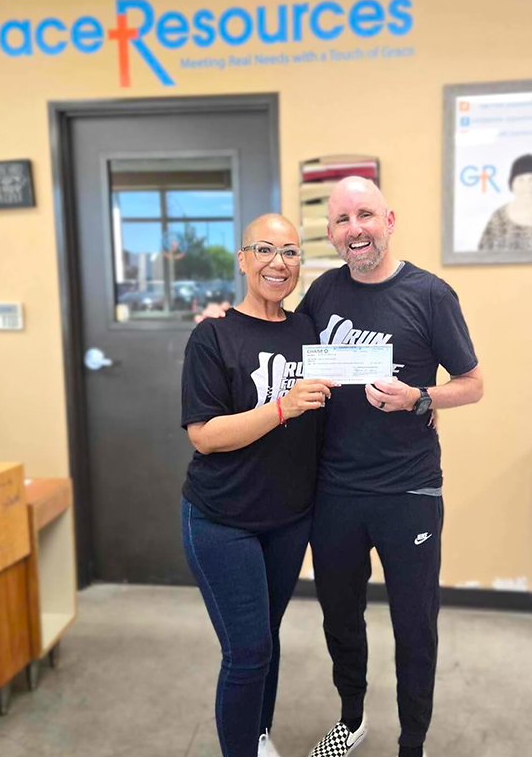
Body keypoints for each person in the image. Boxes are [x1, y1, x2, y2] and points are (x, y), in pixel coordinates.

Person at [297, 177, 484, 757]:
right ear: (330, 233)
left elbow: (473, 385)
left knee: (414, 626)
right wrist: (223, 326)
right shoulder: (323, 293)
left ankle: (412, 743)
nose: (355, 229)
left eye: (365, 215)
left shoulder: (430, 294)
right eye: (343, 221)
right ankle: (351, 718)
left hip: (409, 491)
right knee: (340, 619)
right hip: (334, 491)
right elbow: (283, 352)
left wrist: (420, 398)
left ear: (389, 220)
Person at [180, 214, 334, 757]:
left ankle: (258, 735)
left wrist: (418, 404)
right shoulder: (213, 336)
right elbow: (205, 436)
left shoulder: (309, 332)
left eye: (290, 252)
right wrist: (282, 408)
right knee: (246, 651)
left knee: (264, 642)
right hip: (222, 519)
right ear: (243, 259)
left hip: (289, 519)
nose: (278, 262)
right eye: (265, 250)